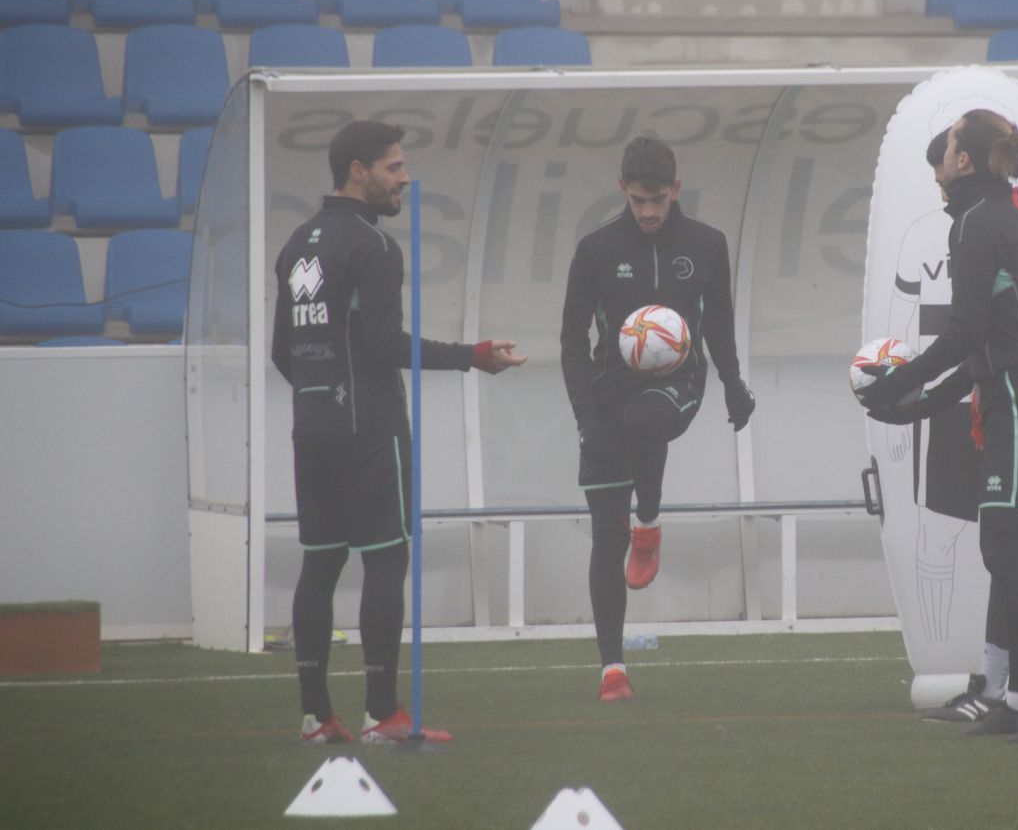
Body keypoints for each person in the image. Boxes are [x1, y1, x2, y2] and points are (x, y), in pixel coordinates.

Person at [272, 120, 526, 745]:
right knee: (388, 561)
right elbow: (386, 345)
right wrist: (474, 355)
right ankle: (383, 715)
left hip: (313, 426)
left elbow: (284, 351)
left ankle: (315, 717)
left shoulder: (297, 245)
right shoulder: (375, 247)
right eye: (394, 167)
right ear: (358, 170)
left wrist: (324, 391)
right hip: (371, 428)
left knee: (321, 563)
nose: (404, 179)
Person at [858, 109, 1018, 743]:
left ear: (962, 162)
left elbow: (967, 334)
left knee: (1004, 549)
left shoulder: (976, 223)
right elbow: (986, 344)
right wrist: (915, 403)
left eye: (948, 150)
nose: (939, 160)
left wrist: (897, 384)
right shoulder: (998, 216)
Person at [559, 135, 755, 702]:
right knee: (603, 534)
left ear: (675, 189)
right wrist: (584, 416)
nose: (648, 211)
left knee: (647, 422)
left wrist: (733, 384)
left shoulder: (706, 244)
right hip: (606, 393)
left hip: (678, 382)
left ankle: (649, 524)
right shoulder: (596, 250)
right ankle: (612, 671)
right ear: (623, 189)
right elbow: (572, 339)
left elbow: (718, 322)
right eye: (639, 199)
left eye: (658, 200)